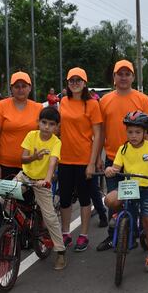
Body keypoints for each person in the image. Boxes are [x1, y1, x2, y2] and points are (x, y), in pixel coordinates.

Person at [96, 59, 148, 251]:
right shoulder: (104, 100)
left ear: (133, 77)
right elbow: (101, 132)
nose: (123, 77)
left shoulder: (142, 99)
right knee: (115, 203)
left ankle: (145, 235)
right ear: (114, 77)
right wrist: (98, 157)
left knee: (141, 201)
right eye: (119, 74)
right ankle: (114, 235)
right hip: (114, 159)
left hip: (139, 160)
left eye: (127, 74)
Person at [104, 111, 148, 272]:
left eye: (138, 132)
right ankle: (117, 214)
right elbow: (116, 167)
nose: (133, 136)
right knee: (109, 200)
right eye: (130, 132)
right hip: (129, 188)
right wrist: (111, 169)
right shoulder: (123, 149)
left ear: (146, 132)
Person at [0, 71, 43, 241]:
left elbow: (47, 134)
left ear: (30, 88)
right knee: (5, 204)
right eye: (17, 86)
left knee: (27, 205)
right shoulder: (1, 106)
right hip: (6, 165)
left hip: (30, 166)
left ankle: (25, 238)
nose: (20, 89)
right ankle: (0, 240)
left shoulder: (38, 108)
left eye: (24, 86)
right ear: (11, 88)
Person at [57, 67, 103, 252]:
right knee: (65, 198)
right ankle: (66, 232)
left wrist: (93, 161)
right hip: (64, 158)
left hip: (84, 158)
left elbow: (98, 134)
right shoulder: (63, 102)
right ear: (67, 83)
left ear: (85, 83)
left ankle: (83, 235)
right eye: (71, 80)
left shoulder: (92, 104)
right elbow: (58, 128)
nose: (75, 83)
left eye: (78, 80)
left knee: (85, 198)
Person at [18, 106, 66, 269]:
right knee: (3, 197)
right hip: (25, 176)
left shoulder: (56, 142)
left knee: (50, 217)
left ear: (57, 127)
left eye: (51, 124)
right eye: (44, 122)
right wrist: (34, 157)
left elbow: (53, 162)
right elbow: (23, 159)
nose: (46, 127)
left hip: (41, 181)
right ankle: (23, 223)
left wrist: (46, 180)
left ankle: (60, 252)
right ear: (38, 122)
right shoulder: (31, 135)